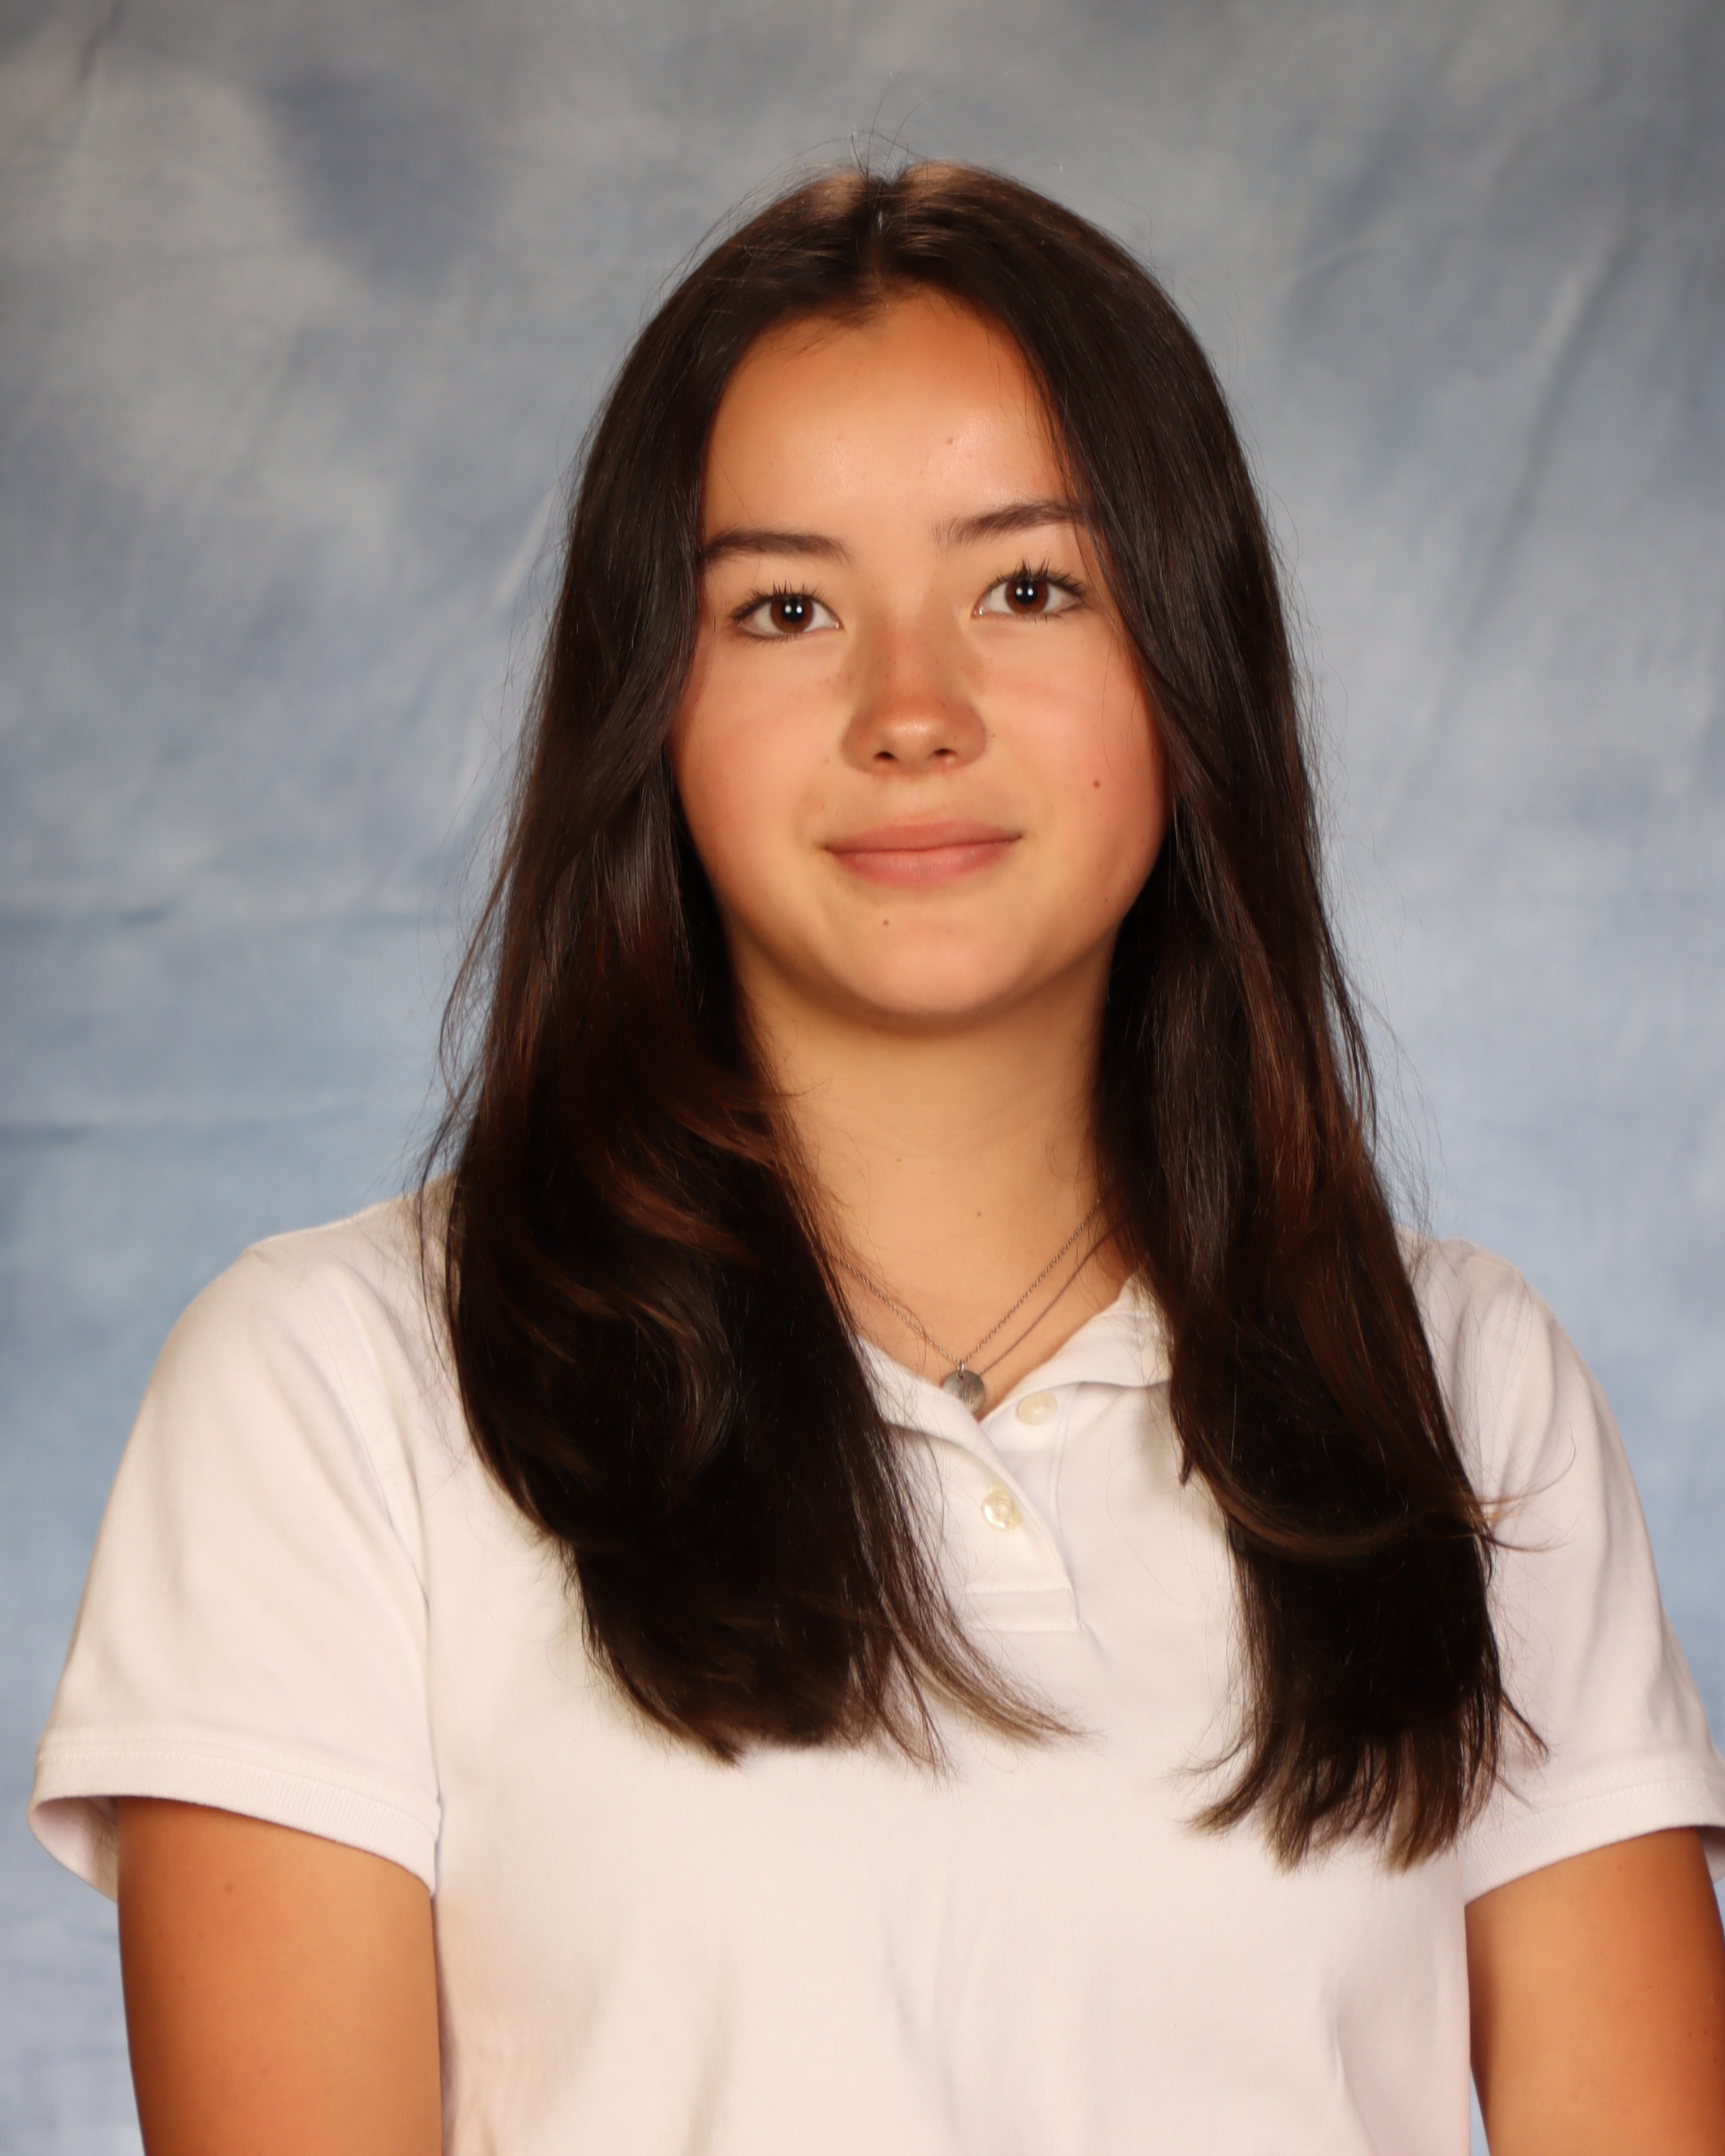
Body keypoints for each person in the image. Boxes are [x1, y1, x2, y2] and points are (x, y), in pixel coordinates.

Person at [28, 160, 1725, 2156]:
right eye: (785, 608)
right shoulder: (336, 1391)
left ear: (1190, 666)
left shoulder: (1453, 1386)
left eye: (1030, 588)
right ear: (650, 708)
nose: (910, 711)